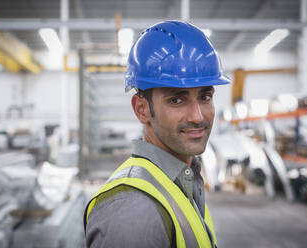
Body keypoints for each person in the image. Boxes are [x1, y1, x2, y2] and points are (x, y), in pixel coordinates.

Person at [84, 20, 230, 248]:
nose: (198, 116)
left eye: (205, 97)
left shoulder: (181, 181)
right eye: (176, 100)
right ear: (141, 109)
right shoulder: (132, 210)